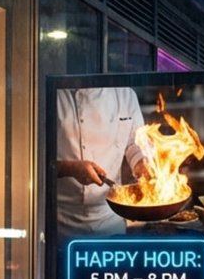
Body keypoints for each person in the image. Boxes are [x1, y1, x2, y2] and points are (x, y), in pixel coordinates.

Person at [55, 87, 148, 235]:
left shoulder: (125, 94)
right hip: (60, 219)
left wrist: (142, 165)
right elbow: (36, 156)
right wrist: (70, 168)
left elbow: (134, 143)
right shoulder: (55, 94)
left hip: (110, 216)